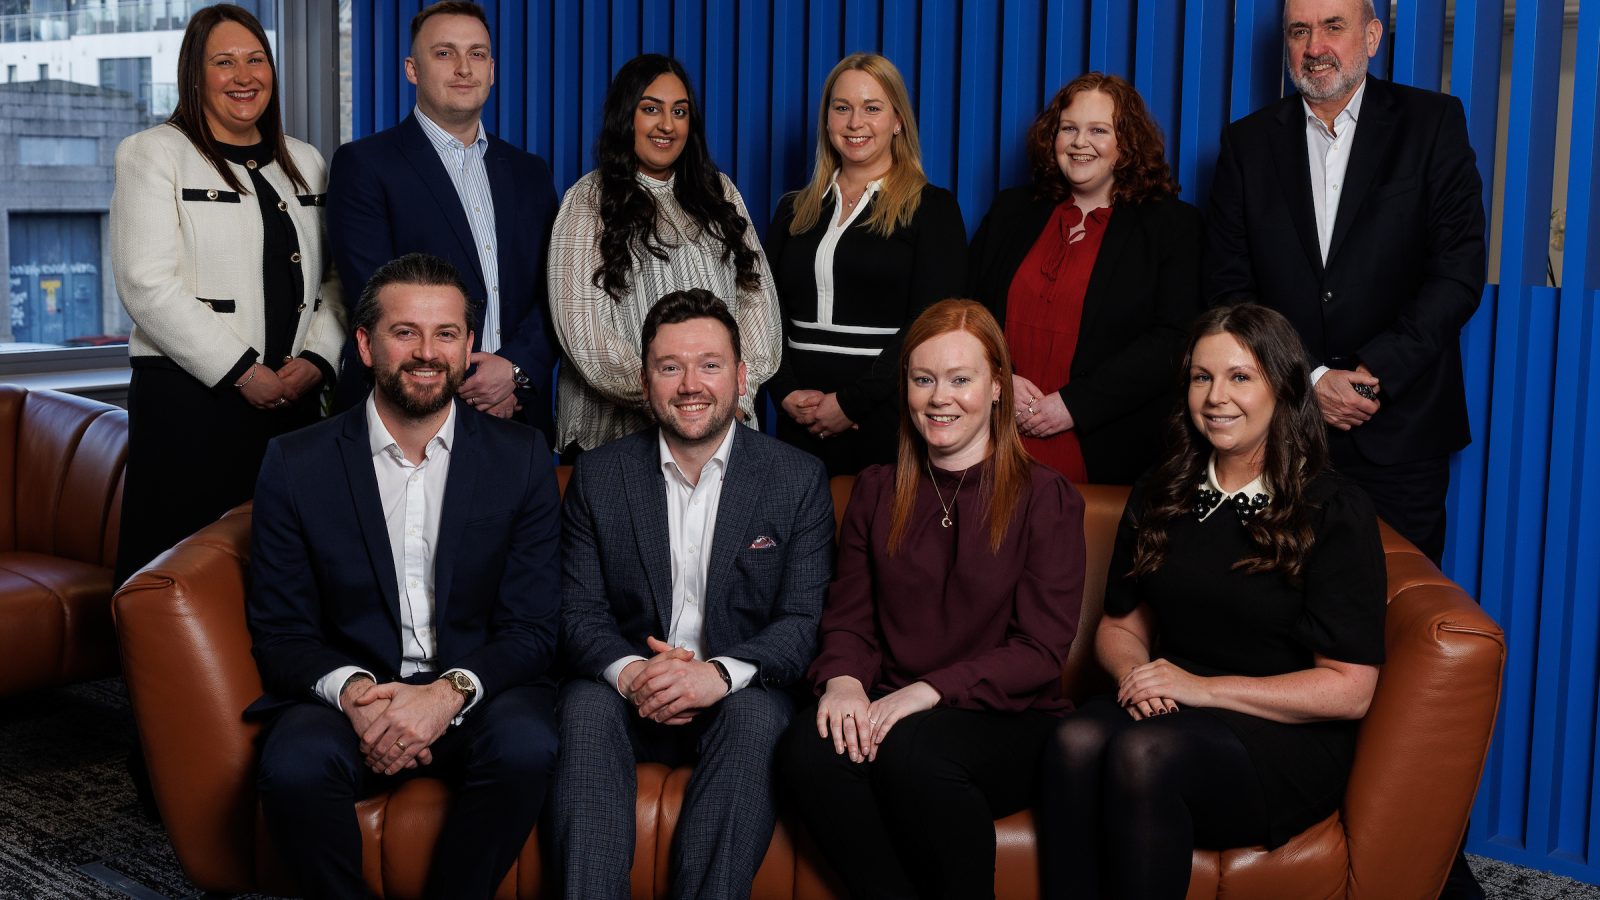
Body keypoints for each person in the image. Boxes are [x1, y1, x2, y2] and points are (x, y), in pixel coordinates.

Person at [1035, 303, 1387, 898]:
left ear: (1282, 386)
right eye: (1202, 377)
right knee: (1072, 741)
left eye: (1239, 377)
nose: (1216, 396)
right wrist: (1140, 678)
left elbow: (1350, 690)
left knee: (1145, 755)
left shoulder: (1333, 510)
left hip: (1282, 736)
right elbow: (1120, 627)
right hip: (1175, 701)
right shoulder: (1163, 487)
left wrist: (1200, 689)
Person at [245, 253, 562, 900]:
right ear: (364, 344)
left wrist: (444, 696)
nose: (427, 352)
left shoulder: (521, 457)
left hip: (477, 695)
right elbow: (281, 633)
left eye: (446, 333)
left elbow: (534, 627)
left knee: (528, 746)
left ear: (470, 345)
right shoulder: (295, 464)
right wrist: (360, 697)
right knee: (293, 766)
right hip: (354, 694)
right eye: (404, 332)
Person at [778, 299, 1085, 900]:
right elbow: (848, 619)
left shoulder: (1047, 498)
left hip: (1007, 722)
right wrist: (842, 681)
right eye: (923, 380)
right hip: (894, 709)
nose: (939, 397)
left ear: (997, 387)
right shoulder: (875, 489)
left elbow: (1039, 652)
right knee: (806, 751)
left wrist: (928, 692)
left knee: (914, 753)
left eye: (960, 379)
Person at [550, 288, 833, 899]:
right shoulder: (599, 477)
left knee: (760, 716)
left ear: (741, 375)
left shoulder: (796, 479)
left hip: (736, 695)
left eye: (710, 365)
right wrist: (631, 674)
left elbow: (802, 621)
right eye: (670, 367)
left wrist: (717, 675)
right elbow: (577, 613)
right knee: (582, 707)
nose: (690, 384)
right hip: (630, 695)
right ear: (645, 380)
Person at [1206, 0, 1486, 567]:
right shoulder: (1247, 143)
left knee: (1394, 609)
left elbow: (1457, 273)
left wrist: (1367, 377)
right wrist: (1309, 376)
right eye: (1299, 31)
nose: (1315, 47)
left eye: (1334, 26)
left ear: (1373, 35)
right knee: (1273, 604)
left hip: (1401, 431)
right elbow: (1231, 290)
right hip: (1280, 428)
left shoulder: (1432, 124)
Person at [109, 4, 344, 584]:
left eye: (255, 59)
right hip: (191, 406)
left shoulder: (307, 162)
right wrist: (244, 371)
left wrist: (315, 361)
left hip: (292, 405)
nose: (244, 76)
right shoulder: (153, 153)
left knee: (284, 572)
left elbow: (338, 283)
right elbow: (146, 284)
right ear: (195, 74)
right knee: (180, 572)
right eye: (224, 62)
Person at [327, 0, 559, 439]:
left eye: (476, 54)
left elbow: (554, 291)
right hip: (407, 412)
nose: (463, 68)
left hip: (516, 411)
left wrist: (514, 370)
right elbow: (376, 298)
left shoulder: (530, 172)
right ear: (412, 69)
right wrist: (472, 387)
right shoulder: (364, 165)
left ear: (492, 69)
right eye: (444, 53)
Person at [968, 72, 1203, 485]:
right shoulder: (1011, 211)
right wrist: (997, 378)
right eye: (1069, 129)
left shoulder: (1172, 226)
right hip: (991, 431)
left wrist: (1072, 405)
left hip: (1101, 445)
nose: (1080, 143)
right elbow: (967, 309)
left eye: (1099, 130)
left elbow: (1173, 339)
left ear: (1126, 143)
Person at [548, 54, 782, 456]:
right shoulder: (588, 200)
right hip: (617, 436)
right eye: (651, 109)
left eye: (680, 111)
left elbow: (757, 300)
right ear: (626, 116)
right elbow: (583, 331)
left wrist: (733, 397)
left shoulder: (719, 193)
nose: (667, 125)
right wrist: (672, 396)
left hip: (723, 425)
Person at [764, 52, 969, 477]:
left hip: (885, 417)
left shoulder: (932, 208)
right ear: (827, 120)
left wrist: (850, 402)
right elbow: (765, 310)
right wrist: (783, 391)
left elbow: (929, 324)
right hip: (799, 417)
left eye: (872, 108)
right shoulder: (792, 210)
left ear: (897, 120)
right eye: (842, 108)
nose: (855, 123)